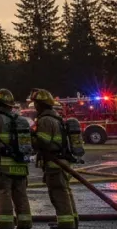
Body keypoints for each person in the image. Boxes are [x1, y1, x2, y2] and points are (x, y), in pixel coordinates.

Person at [0, 89, 32, 229]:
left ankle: (6, 226)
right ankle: (25, 224)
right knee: (21, 197)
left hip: (3, 167)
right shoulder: (22, 120)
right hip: (21, 166)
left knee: (4, 196)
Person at [29, 88, 77, 229]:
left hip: (55, 163)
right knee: (65, 192)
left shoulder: (45, 120)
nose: (35, 106)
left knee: (58, 195)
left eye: (36, 103)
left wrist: (31, 136)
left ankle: (66, 225)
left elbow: (43, 142)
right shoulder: (56, 118)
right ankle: (71, 222)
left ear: (41, 104)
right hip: (62, 161)